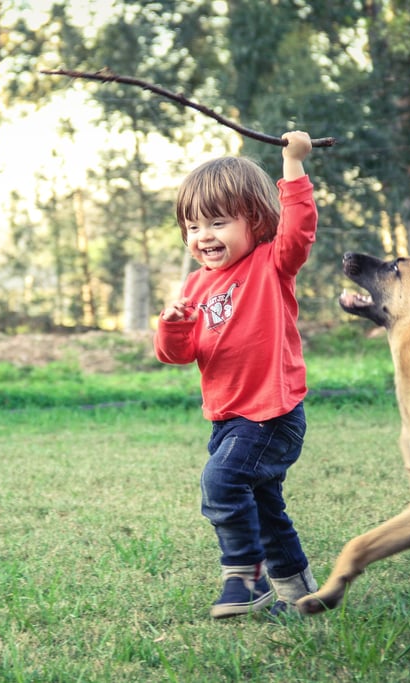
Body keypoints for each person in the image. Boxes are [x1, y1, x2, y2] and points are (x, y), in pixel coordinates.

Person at [154, 132, 319, 618]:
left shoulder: (272, 262)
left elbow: (300, 227)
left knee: (222, 482)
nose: (203, 236)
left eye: (218, 222)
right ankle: (302, 595)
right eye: (192, 226)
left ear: (258, 222)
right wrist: (173, 324)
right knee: (266, 510)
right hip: (227, 418)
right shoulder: (196, 285)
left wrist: (292, 162)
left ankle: (246, 581)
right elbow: (179, 355)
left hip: (272, 412)